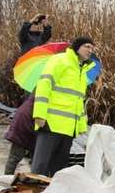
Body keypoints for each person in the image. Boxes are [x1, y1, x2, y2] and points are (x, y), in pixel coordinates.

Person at [31, 37, 96, 177]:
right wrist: (40, 115)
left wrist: (80, 126)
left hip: (68, 128)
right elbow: (44, 85)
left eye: (92, 48)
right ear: (77, 47)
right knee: (41, 165)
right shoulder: (60, 60)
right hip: (51, 123)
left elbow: (78, 101)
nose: (90, 50)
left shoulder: (82, 71)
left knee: (59, 169)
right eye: (87, 46)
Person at [4, 94, 36, 174]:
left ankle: (7, 177)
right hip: (25, 124)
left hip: (23, 120)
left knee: (16, 157)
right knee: (15, 156)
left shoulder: (36, 91)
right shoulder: (46, 89)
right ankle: (6, 178)